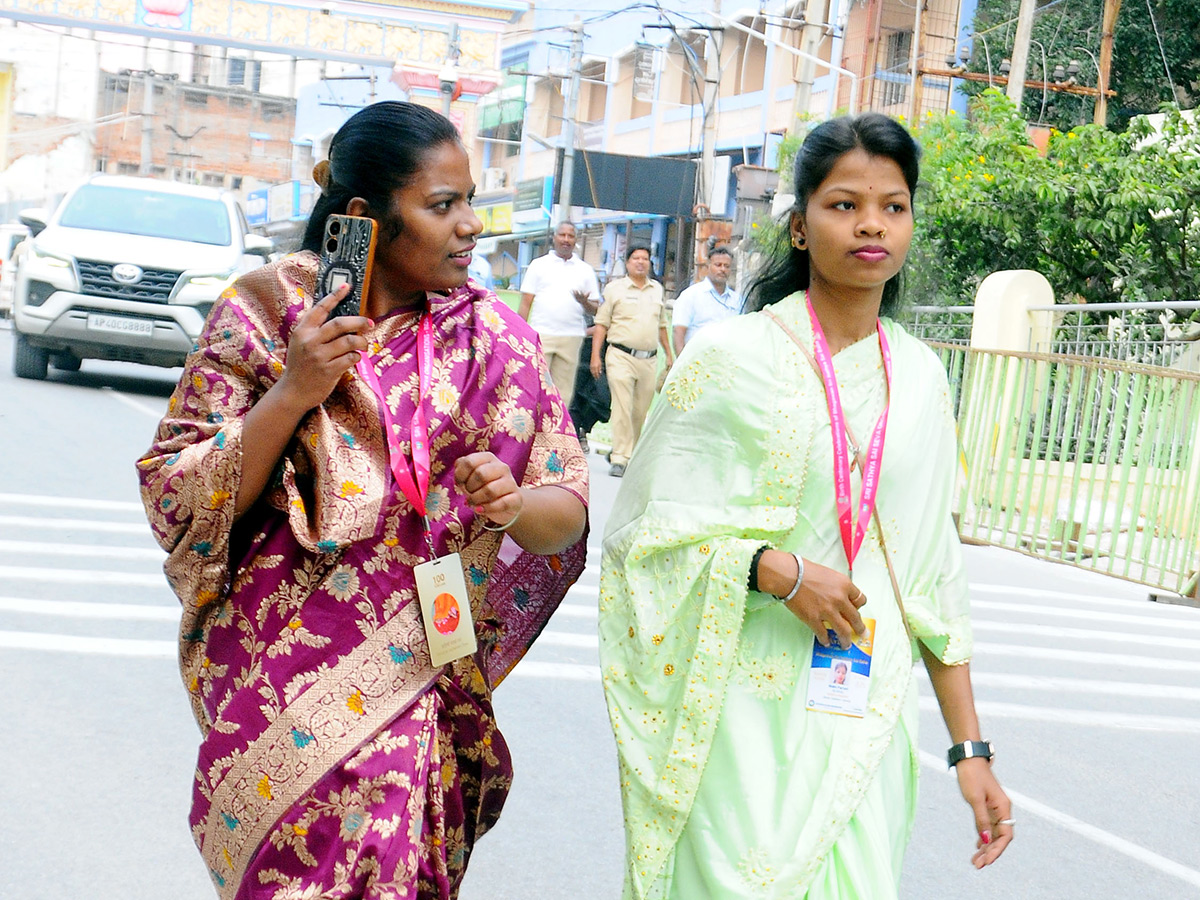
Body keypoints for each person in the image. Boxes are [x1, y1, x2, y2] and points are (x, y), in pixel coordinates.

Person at [137, 101, 589, 900]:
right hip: (274, 681)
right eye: (442, 205)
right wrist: (295, 389)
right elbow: (176, 494)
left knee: (393, 863)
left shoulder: (494, 341)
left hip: (422, 666)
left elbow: (570, 511)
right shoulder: (266, 314)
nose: (471, 227)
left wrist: (513, 504)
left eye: (469, 201)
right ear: (364, 217)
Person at [598, 113, 1012, 899]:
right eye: (844, 204)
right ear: (798, 226)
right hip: (738, 714)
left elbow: (931, 575)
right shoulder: (731, 358)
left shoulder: (921, 377)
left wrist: (971, 750)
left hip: (865, 707)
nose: (871, 225)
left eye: (894, 206)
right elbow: (642, 538)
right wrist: (775, 571)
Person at [590, 244, 671, 477]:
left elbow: (662, 324)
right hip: (620, 356)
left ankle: (628, 451)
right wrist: (596, 356)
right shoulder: (615, 289)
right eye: (636, 258)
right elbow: (601, 325)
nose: (640, 262)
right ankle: (620, 458)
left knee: (639, 411)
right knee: (623, 407)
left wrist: (670, 355)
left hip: (648, 360)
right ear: (627, 263)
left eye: (645, 259)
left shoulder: (657, 290)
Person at [517, 221, 601, 408]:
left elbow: (596, 309)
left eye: (570, 236)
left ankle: (555, 434)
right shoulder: (539, 265)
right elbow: (525, 303)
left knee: (563, 394)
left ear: (575, 240)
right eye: (562, 235)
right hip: (541, 335)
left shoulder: (585, 270)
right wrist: (519, 335)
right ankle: (533, 433)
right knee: (535, 388)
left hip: (571, 337)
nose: (566, 239)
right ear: (554, 238)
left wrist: (584, 302)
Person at [670, 244, 742, 357]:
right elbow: (678, 332)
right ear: (708, 266)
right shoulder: (691, 295)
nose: (722, 269)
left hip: (726, 363)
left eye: (727, 266)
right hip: (697, 362)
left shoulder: (737, 300)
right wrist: (682, 363)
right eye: (718, 265)